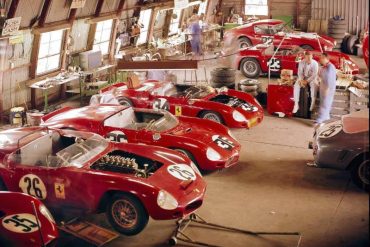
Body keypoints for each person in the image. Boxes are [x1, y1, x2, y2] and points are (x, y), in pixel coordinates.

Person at [316, 53, 337, 124]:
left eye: (321, 58)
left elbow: (330, 80)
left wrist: (327, 89)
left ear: (326, 59)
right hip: (323, 87)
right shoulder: (323, 66)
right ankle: (325, 118)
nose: (320, 59)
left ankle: (319, 120)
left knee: (325, 103)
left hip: (328, 88)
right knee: (323, 103)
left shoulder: (331, 67)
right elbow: (320, 75)